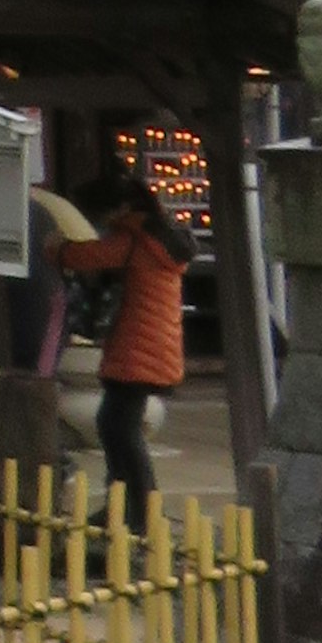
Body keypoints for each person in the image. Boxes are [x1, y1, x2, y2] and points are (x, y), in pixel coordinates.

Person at [65, 149, 190, 535]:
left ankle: (138, 510)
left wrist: (55, 247)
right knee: (115, 424)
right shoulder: (155, 236)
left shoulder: (136, 240)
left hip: (140, 352)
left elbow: (88, 257)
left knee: (119, 428)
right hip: (151, 349)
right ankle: (126, 505)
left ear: (119, 208)